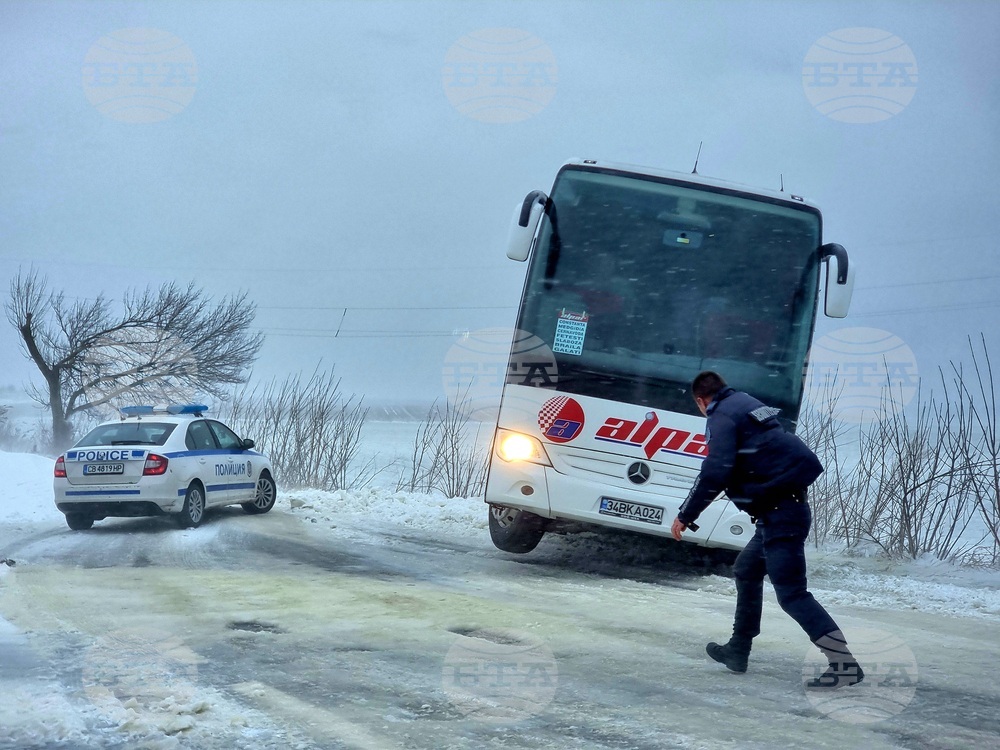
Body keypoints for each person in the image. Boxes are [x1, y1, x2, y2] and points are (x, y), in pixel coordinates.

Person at [670, 371, 864, 689]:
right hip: (778, 512)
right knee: (747, 569)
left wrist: (686, 514)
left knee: (792, 594)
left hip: (781, 515)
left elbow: (715, 470)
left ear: (700, 400)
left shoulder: (721, 414)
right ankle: (738, 650)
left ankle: (843, 663)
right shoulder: (743, 403)